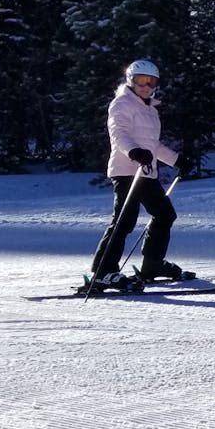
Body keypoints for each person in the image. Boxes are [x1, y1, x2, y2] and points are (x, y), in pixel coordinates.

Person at [83, 59, 193, 293]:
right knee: (124, 220)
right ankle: (103, 273)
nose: (145, 86)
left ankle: (152, 264)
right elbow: (118, 134)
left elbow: (153, 146)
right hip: (126, 171)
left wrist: (176, 160)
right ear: (130, 80)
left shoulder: (150, 110)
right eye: (140, 80)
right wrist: (134, 151)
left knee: (164, 214)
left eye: (150, 81)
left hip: (146, 172)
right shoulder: (121, 103)